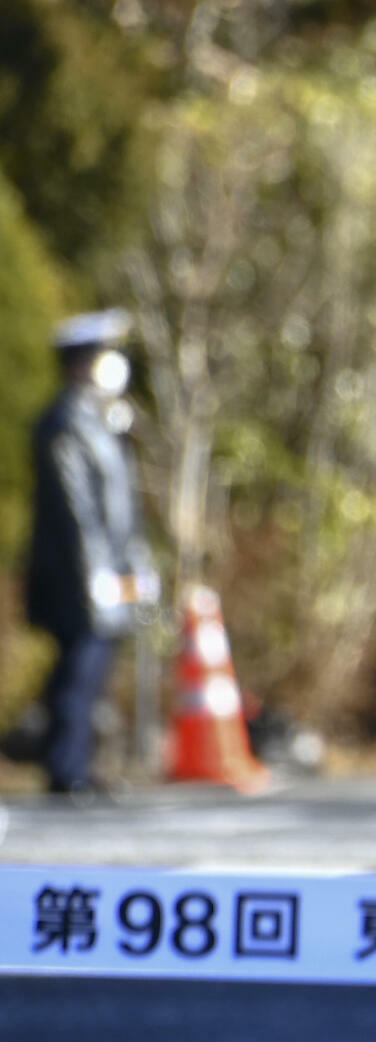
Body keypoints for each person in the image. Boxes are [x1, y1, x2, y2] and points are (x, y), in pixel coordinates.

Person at [26, 309, 156, 798]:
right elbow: (76, 510)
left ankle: (80, 763)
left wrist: (137, 566)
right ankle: (65, 768)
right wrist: (96, 575)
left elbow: (124, 506)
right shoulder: (65, 424)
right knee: (79, 669)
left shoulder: (103, 420)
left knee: (97, 668)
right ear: (79, 363)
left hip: (110, 570)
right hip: (76, 575)